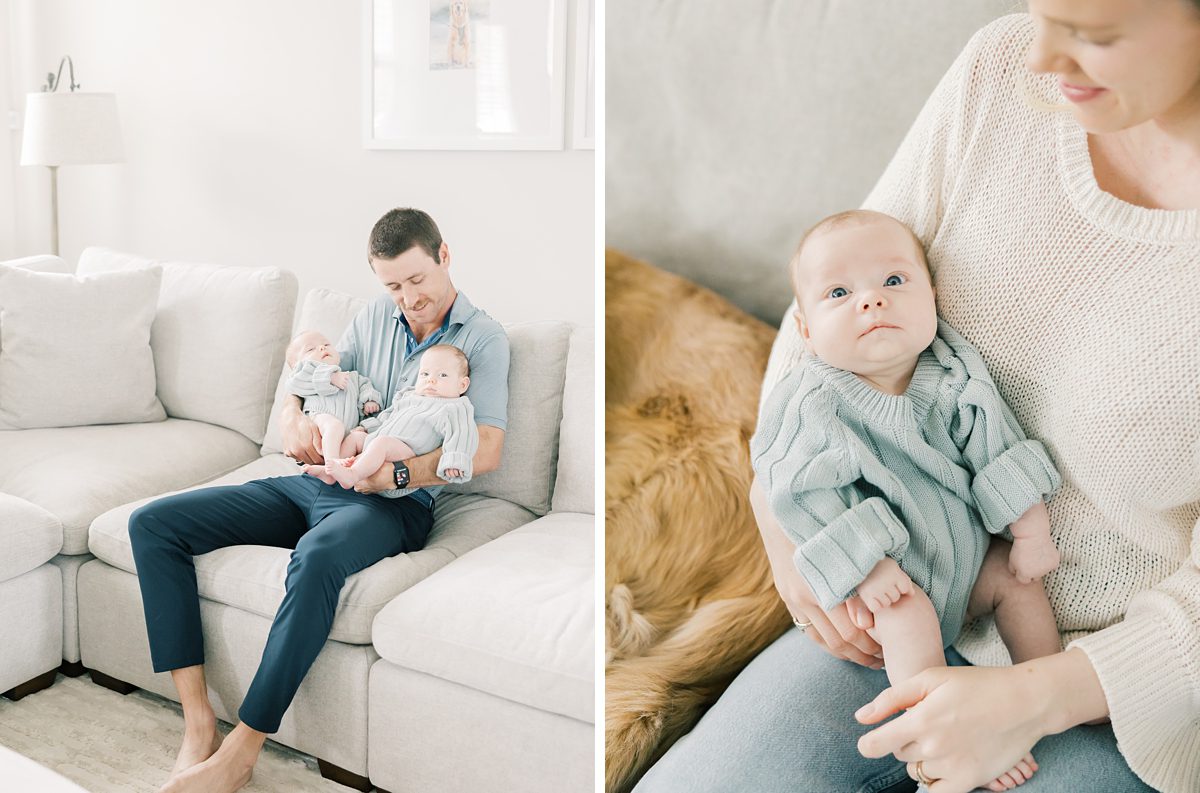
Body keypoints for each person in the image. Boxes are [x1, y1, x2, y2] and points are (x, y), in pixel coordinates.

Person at [634, 2, 1200, 792]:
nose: (1038, 57)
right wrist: (785, 517)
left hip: (1113, 695)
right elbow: (827, 297)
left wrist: (1038, 694)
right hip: (900, 594)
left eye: (1092, 34)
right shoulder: (1000, 72)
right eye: (1040, 11)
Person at [127, 207, 510, 793]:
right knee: (154, 523)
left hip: (392, 505)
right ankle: (199, 723)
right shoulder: (374, 316)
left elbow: (484, 450)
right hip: (317, 480)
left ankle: (243, 748)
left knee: (318, 557)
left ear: (444, 256)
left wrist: (396, 477)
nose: (407, 298)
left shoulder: (482, 338)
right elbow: (311, 385)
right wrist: (292, 419)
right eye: (392, 286)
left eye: (417, 280)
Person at [751, 209, 1063, 789]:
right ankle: (934, 732)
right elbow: (798, 492)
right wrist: (867, 567)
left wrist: (1030, 531)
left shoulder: (952, 371)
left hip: (972, 566)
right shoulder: (813, 402)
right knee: (905, 613)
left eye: (894, 282)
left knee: (1018, 582)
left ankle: (1037, 700)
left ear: (933, 297)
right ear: (806, 330)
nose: (871, 302)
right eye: (839, 293)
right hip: (893, 579)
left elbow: (997, 445)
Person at [304, 343, 478, 491]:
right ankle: (332, 471)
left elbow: (462, 435)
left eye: (443, 375)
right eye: (425, 374)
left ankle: (352, 475)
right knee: (356, 437)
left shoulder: (455, 407)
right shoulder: (408, 395)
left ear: (462, 384)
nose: (430, 380)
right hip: (380, 439)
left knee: (382, 443)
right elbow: (387, 417)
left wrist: (455, 460)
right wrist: (366, 427)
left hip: (408, 450)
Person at [284, 329, 383, 464]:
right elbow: (293, 384)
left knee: (360, 438)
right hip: (319, 420)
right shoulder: (303, 376)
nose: (322, 347)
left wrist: (369, 400)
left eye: (326, 344)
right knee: (334, 426)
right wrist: (329, 377)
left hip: (345, 438)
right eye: (310, 349)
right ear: (297, 366)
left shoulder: (353, 377)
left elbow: (365, 386)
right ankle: (332, 464)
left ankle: (336, 470)